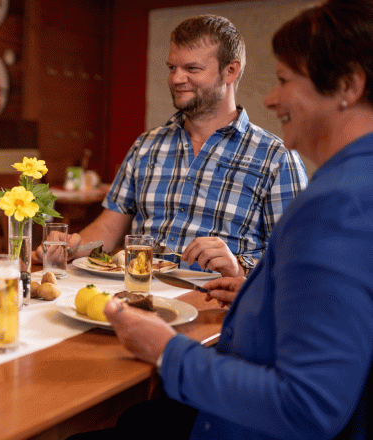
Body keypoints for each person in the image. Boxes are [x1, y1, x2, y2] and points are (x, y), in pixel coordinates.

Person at [88, 1, 373, 438]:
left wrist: (168, 352)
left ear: (349, 86)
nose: (271, 97)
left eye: (283, 80)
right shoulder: (352, 188)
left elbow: (308, 406)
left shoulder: (334, 205)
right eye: (171, 67)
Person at [39, 15, 308, 277]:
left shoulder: (277, 157)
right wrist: (70, 248)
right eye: (172, 68)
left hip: (216, 305)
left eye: (192, 68)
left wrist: (240, 268)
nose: (177, 79)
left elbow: (297, 259)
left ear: (231, 70)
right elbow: (109, 229)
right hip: (138, 293)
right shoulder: (146, 145)